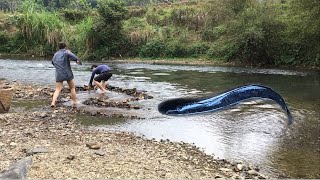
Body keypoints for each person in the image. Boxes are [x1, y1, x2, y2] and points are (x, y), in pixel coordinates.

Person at [51, 42, 82, 107]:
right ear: (65, 47)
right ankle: (74, 101)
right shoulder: (67, 52)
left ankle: (53, 102)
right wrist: (78, 61)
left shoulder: (56, 54)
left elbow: (53, 62)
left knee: (57, 89)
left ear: (59, 47)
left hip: (59, 73)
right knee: (72, 88)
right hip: (67, 73)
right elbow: (75, 57)